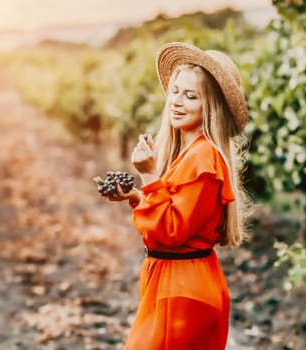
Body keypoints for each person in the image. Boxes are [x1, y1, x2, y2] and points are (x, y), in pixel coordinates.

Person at [103, 42, 251, 349]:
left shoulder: (203, 158)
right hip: (176, 285)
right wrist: (136, 195)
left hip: (183, 291)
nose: (177, 102)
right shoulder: (190, 153)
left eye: (191, 96)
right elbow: (177, 213)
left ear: (210, 107)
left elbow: (171, 231)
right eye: (175, 91)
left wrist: (148, 176)